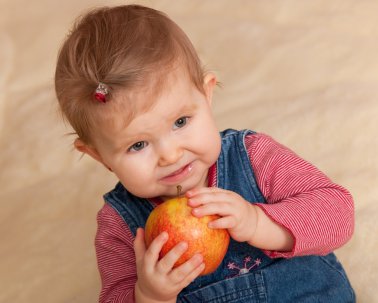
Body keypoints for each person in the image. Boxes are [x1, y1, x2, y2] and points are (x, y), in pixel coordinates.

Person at [54, 4, 355, 303]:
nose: (170, 155)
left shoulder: (252, 156)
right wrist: (149, 295)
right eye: (138, 145)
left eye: (180, 122)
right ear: (99, 156)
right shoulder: (120, 224)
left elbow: (338, 214)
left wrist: (258, 223)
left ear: (206, 94)